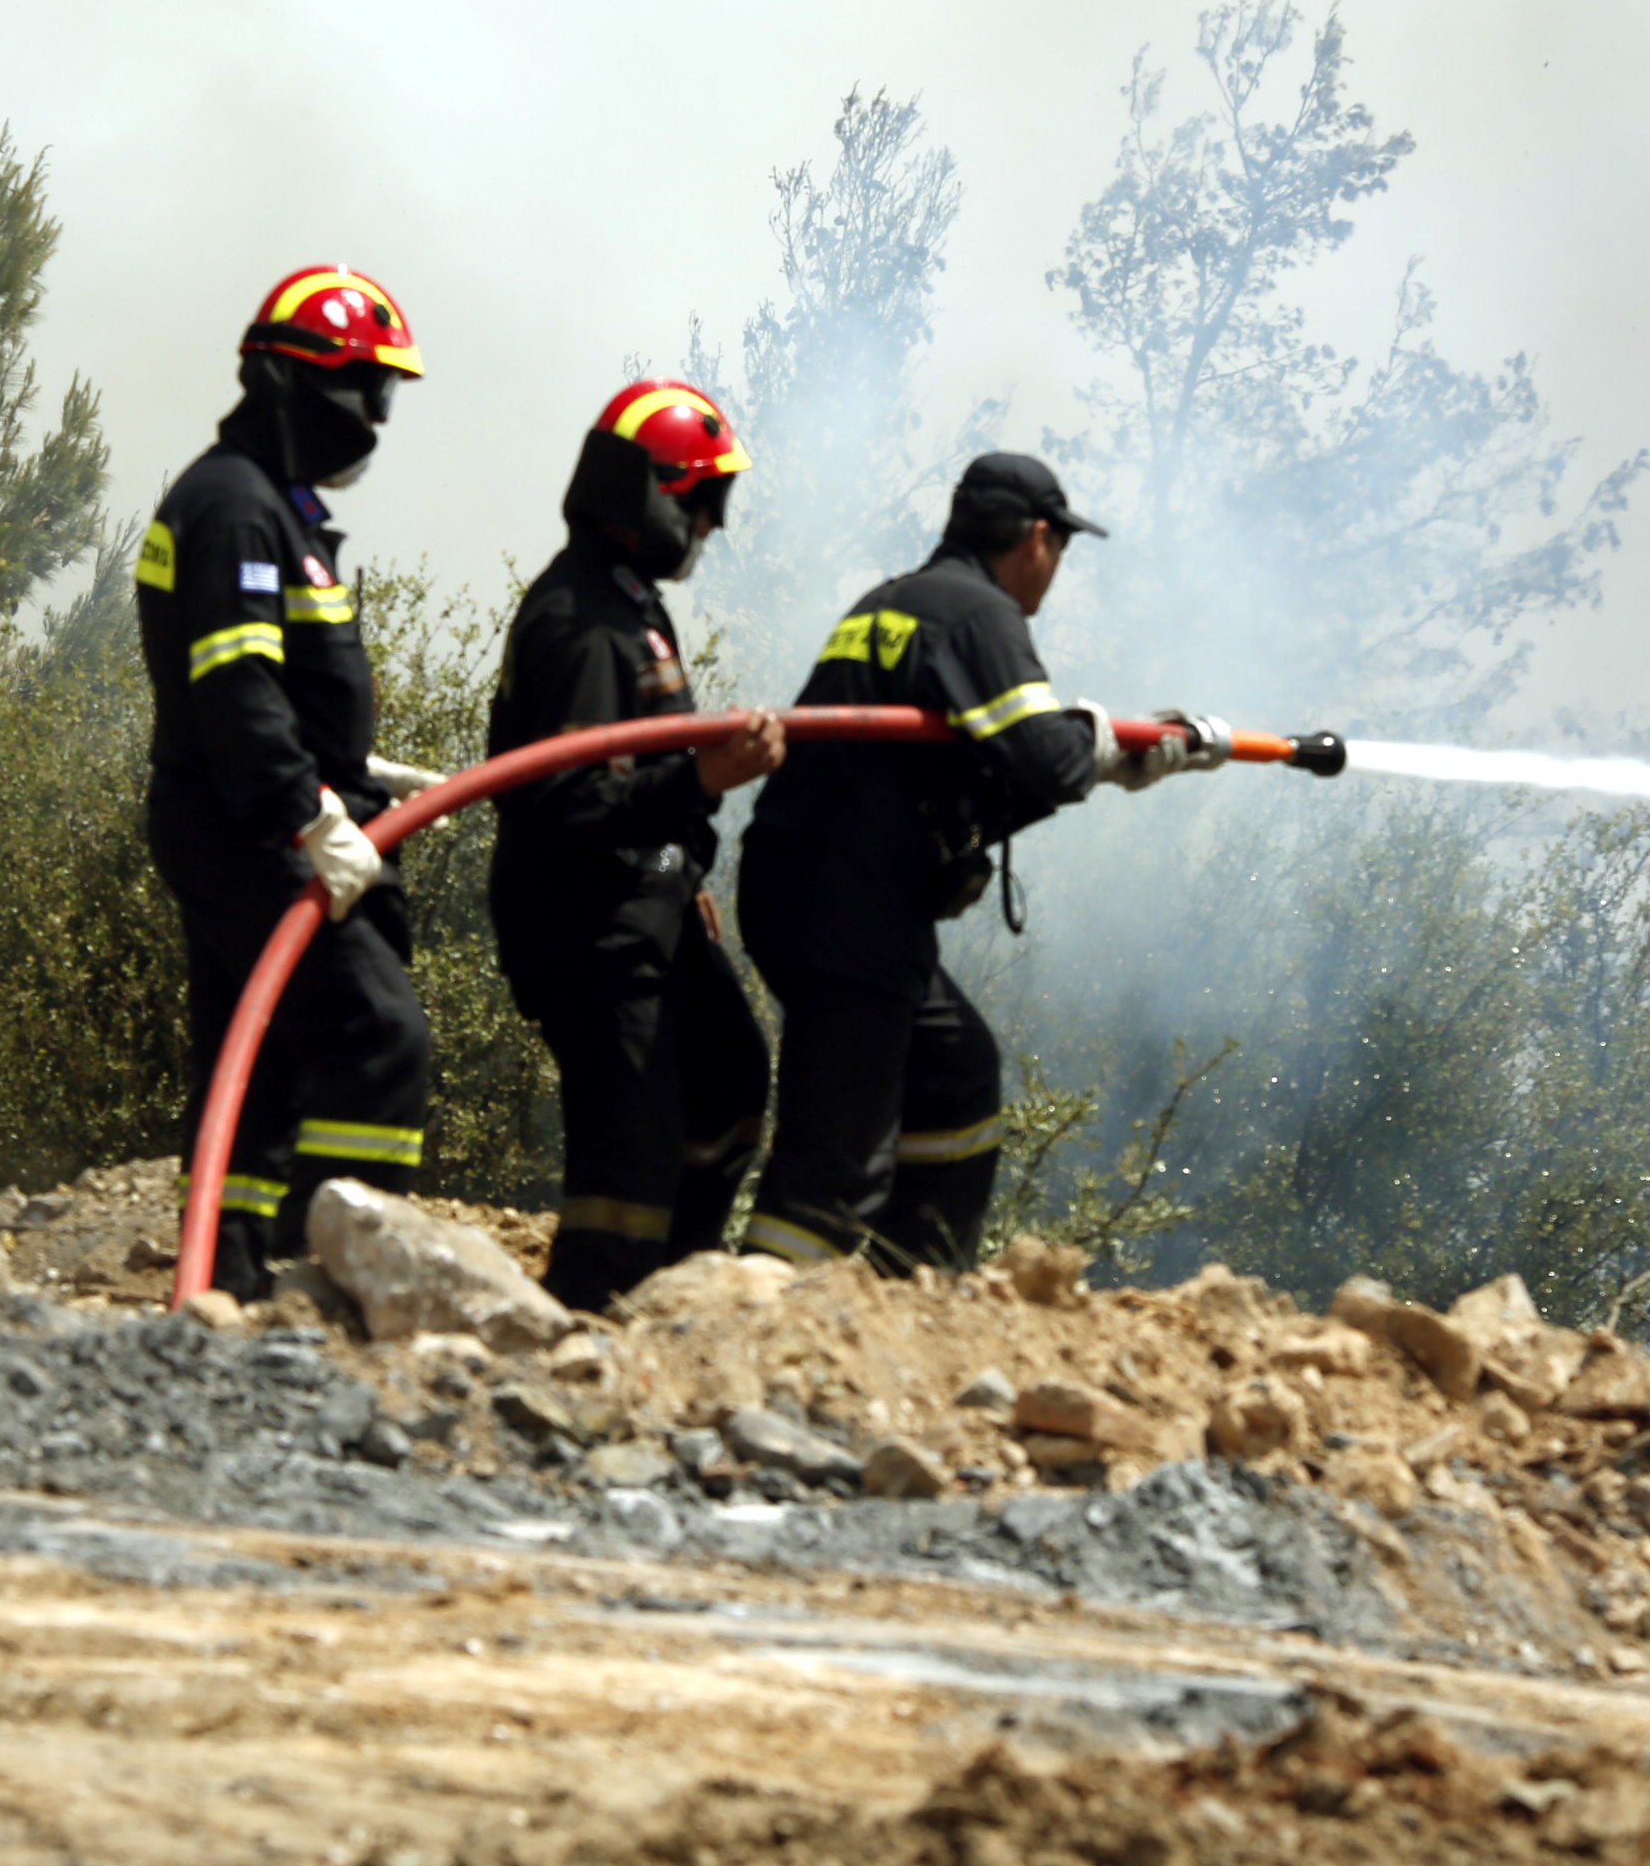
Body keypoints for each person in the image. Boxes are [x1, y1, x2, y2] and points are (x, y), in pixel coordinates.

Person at [734, 451, 1226, 1274]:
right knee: (837, 1155)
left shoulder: (892, 602)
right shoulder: (977, 614)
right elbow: (1048, 759)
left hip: (812, 890)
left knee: (955, 1074)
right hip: (848, 908)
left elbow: (963, 779)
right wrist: (1107, 746)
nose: (1055, 568)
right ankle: (754, 1307)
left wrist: (1117, 758)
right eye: (1060, 548)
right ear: (1037, 538)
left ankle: (912, 1286)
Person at [137, 264, 439, 1302]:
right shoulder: (235, 507)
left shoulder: (270, 505)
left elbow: (278, 689)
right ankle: (340, 1281)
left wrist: (354, 771)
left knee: (254, 1061)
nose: (375, 417)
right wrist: (309, 813)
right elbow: (234, 689)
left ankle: (230, 1284)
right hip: (248, 828)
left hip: (253, 814)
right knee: (377, 1034)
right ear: (292, 382)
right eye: (367, 388)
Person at [484, 381, 786, 1309]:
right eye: (704, 500)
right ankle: (595, 1318)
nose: (712, 525)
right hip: (587, 928)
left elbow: (636, 787)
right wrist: (705, 780)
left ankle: (674, 1294)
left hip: (646, 904)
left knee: (729, 1080)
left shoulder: (629, 604)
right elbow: (567, 803)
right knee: (629, 1153)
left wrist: (680, 869)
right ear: (653, 492)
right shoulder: (580, 622)